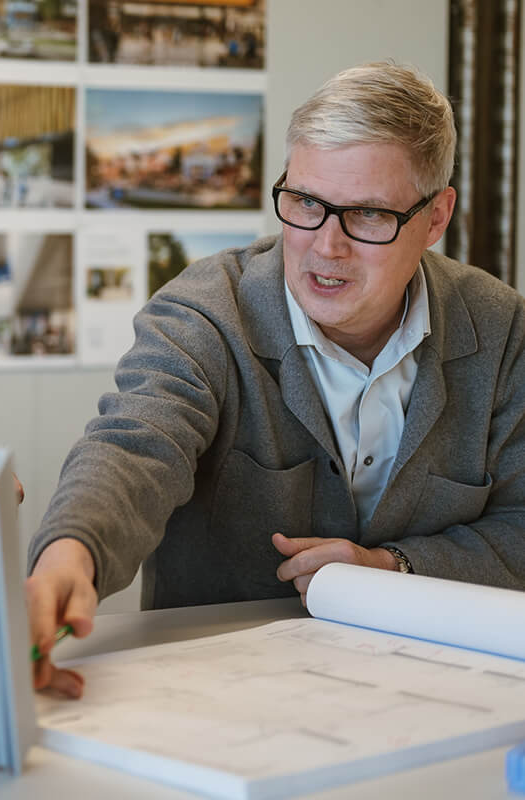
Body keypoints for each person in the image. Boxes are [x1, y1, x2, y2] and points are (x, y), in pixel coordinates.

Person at [26, 61, 525, 699]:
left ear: (435, 217)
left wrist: (390, 569)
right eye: (306, 204)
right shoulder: (206, 309)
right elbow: (136, 443)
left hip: (441, 694)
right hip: (220, 695)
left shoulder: (501, 327)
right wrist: (74, 547)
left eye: (368, 215)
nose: (326, 247)